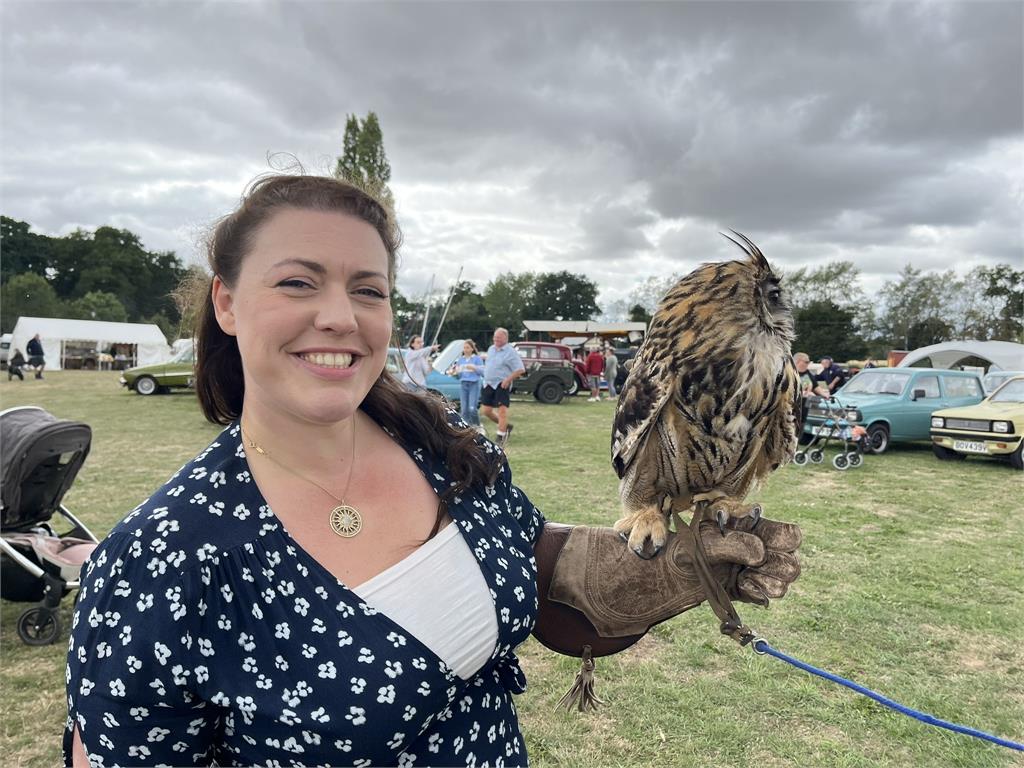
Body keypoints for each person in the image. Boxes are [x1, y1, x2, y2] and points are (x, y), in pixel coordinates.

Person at [64, 174, 802, 767]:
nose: (339, 317)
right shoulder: (158, 560)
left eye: (368, 289)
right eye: (297, 283)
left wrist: (666, 571)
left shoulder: (448, 451)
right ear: (226, 302)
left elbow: (540, 579)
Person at [480, 327, 525, 447]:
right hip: (488, 383)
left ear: (505, 338)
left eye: (498, 337)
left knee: (502, 412)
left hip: (501, 384)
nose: (496, 339)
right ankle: (506, 427)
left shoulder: (510, 352)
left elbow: (520, 369)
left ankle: (500, 436)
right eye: (495, 337)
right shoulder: (491, 349)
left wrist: (508, 379)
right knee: (486, 411)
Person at [453, 338, 484, 431]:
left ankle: (477, 426)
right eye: (464, 348)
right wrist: (455, 372)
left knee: (472, 409)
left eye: (467, 347)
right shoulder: (460, 360)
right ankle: (466, 429)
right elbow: (458, 374)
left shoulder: (477, 359)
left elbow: (482, 372)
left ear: (472, 349)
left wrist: (474, 368)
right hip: (463, 384)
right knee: (464, 410)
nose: (465, 349)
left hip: (473, 384)